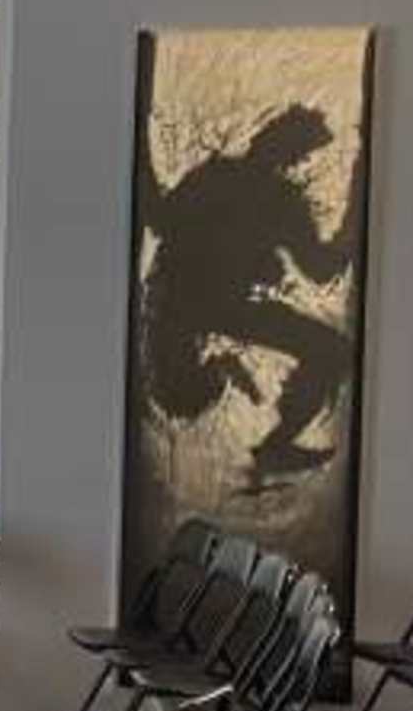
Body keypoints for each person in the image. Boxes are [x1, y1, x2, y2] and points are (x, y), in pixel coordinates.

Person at [135, 103, 357, 485]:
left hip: (216, 307)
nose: (301, 163)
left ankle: (275, 446)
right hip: (193, 306)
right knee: (331, 350)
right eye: (302, 153)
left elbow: (160, 217)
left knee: (331, 350)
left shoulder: (238, 182)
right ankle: (275, 443)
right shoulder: (256, 190)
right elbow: (321, 269)